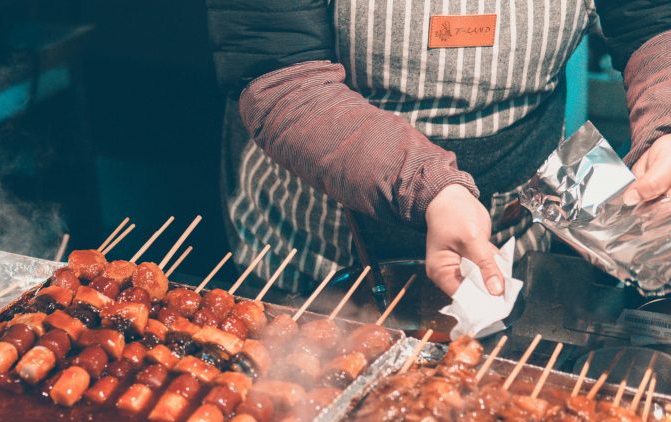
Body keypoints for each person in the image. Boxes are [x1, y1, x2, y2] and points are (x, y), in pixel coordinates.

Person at [207, 1, 671, 297]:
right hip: (319, 241)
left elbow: (651, 20)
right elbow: (281, 76)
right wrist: (431, 188)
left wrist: (664, 124)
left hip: (517, 225)